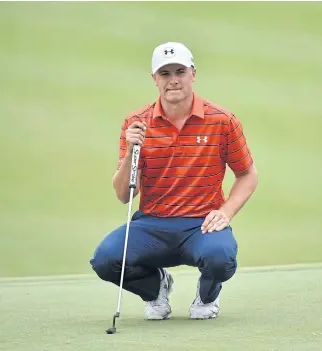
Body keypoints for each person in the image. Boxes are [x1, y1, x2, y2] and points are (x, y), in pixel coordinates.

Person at [90, 42, 258, 320]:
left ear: (193, 73)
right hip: (152, 224)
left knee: (221, 258)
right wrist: (132, 150)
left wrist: (226, 212)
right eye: (165, 73)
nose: (173, 80)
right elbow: (123, 195)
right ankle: (156, 287)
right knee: (106, 260)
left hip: (202, 223)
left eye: (180, 71)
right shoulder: (137, 123)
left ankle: (207, 296)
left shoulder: (222, 121)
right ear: (154, 79)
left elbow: (247, 173)